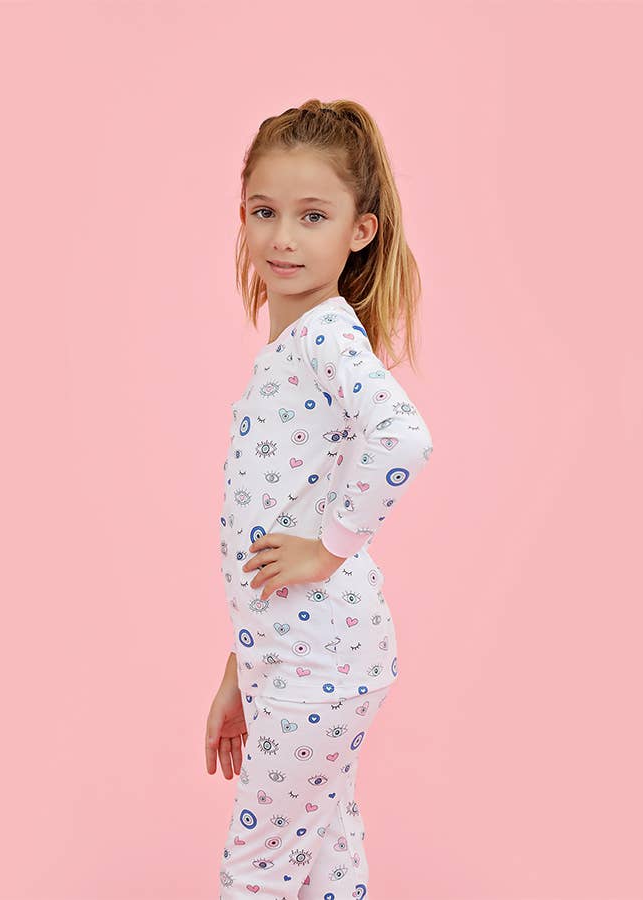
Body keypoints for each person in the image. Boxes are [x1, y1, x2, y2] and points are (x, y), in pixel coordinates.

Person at [206, 98, 435, 899]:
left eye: (313, 216)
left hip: (318, 661)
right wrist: (241, 670)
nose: (283, 238)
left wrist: (330, 549)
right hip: (301, 657)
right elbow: (277, 519)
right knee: (324, 850)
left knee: (259, 869)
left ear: (359, 231)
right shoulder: (295, 343)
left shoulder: (325, 338)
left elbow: (404, 437)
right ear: (242, 216)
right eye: (264, 212)